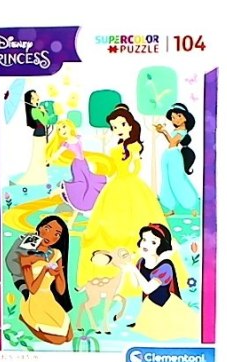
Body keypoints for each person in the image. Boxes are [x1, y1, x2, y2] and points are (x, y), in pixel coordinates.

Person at [76, 104, 188, 296]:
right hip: (114, 187)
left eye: (121, 125)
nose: (117, 129)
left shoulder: (134, 146)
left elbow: (133, 169)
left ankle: (138, 277)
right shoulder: (117, 147)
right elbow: (113, 168)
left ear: (130, 125)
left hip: (131, 187)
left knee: (136, 222)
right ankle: (108, 276)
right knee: (106, 224)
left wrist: (130, 160)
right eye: (114, 127)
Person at [125, 223, 200, 340]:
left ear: (161, 246)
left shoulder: (165, 267)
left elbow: (148, 288)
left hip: (167, 306)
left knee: (165, 333)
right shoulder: (141, 262)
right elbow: (136, 285)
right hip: (150, 304)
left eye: (153, 242)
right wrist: (130, 270)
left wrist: (134, 270)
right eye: (144, 239)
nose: (146, 244)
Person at [14, 215, 73, 344]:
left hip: (49, 299)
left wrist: (58, 274)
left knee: (69, 337)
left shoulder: (56, 253)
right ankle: (25, 317)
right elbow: (33, 289)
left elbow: (61, 290)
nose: (50, 235)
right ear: (39, 228)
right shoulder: (25, 255)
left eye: (57, 234)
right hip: (33, 301)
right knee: (58, 340)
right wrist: (44, 271)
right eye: (47, 228)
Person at [45, 119, 107, 228]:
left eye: (64, 127)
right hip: (77, 165)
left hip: (84, 164)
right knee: (81, 186)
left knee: (88, 187)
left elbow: (89, 137)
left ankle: (70, 222)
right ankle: (62, 190)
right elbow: (57, 153)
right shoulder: (66, 144)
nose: (62, 130)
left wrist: (100, 137)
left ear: (70, 126)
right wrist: (49, 160)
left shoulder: (77, 138)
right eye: (59, 130)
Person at [154, 103, 198, 215]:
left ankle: (191, 206)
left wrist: (164, 131)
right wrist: (163, 132)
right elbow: (171, 141)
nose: (175, 119)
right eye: (173, 117)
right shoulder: (177, 130)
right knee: (167, 180)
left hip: (174, 156)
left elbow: (173, 142)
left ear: (185, 117)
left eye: (179, 116)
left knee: (177, 180)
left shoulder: (182, 131)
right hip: (169, 154)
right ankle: (170, 207)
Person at [17, 90, 52, 186]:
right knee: (39, 156)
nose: (37, 95)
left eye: (36, 93)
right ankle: (38, 178)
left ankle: (41, 177)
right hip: (39, 135)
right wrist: (44, 112)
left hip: (40, 134)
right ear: (31, 99)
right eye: (34, 95)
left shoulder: (36, 108)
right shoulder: (35, 110)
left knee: (41, 155)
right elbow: (45, 122)